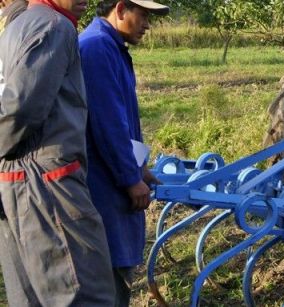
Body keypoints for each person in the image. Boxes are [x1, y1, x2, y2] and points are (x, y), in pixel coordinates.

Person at [0, 0, 116, 305]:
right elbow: (20, 110)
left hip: (18, 178)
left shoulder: (15, 26)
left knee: (32, 295)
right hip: (47, 183)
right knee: (83, 293)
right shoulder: (53, 26)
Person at [79, 0, 167, 305]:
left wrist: (139, 167)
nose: (147, 24)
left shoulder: (109, 47)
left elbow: (124, 120)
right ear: (120, 9)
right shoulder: (96, 49)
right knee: (108, 276)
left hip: (112, 178)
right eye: (143, 15)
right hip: (103, 185)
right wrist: (131, 179)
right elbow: (108, 123)